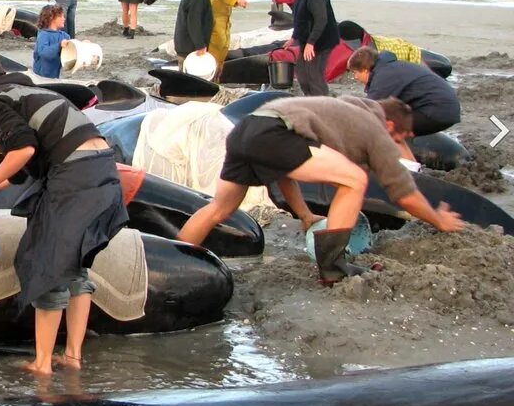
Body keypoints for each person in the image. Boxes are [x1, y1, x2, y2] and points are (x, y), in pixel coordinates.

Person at [0, 48, 126, 375]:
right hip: (104, 168)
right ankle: (72, 357)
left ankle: (42, 364)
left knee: (43, 263)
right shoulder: (29, 89)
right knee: (74, 266)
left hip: (74, 174)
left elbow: (23, 149)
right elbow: (21, 171)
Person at [175, 95, 464, 284]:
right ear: (390, 126)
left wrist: (304, 214)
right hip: (274, 131)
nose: (400, 145)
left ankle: (177, 262)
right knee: (354, 180)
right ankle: (333, 267)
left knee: (219, 209)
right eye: (402, 138)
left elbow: (283, 170)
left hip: (246, 129)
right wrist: (439, 220)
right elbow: (405, 195)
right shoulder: (376, 131)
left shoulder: (340, 110)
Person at [348, 47, 461, 136]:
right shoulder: (391, 68)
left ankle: (406, 164)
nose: (355, 77)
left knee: (391, 129)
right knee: (393, 123)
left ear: (365, 69)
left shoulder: (385, 75)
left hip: (438, 111)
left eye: (355, 72)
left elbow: (368, 109)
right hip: (447, 108)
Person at [286, 0, 341, 96]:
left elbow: (321, 20)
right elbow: (300, 19)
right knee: (301, 73)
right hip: (307, 39)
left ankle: (322, 106)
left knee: (314, 75)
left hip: (321, 41)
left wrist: (311, 43)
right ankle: (311, 100)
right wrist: (293, 38)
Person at [173, 0, 220, 64]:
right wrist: (200, 45)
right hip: (190, 49)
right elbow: (193, 20)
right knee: (188, 78)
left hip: (188, 46)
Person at [33, 4, 69, 79]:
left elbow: (72, 50)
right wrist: (59, 46)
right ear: (51, 18)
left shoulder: (65, 36)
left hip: (55, 75)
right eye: (61, 16)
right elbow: (44, 53)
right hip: (41, 76)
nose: (64, 19)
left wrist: (82, 45)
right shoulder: (43, 35)